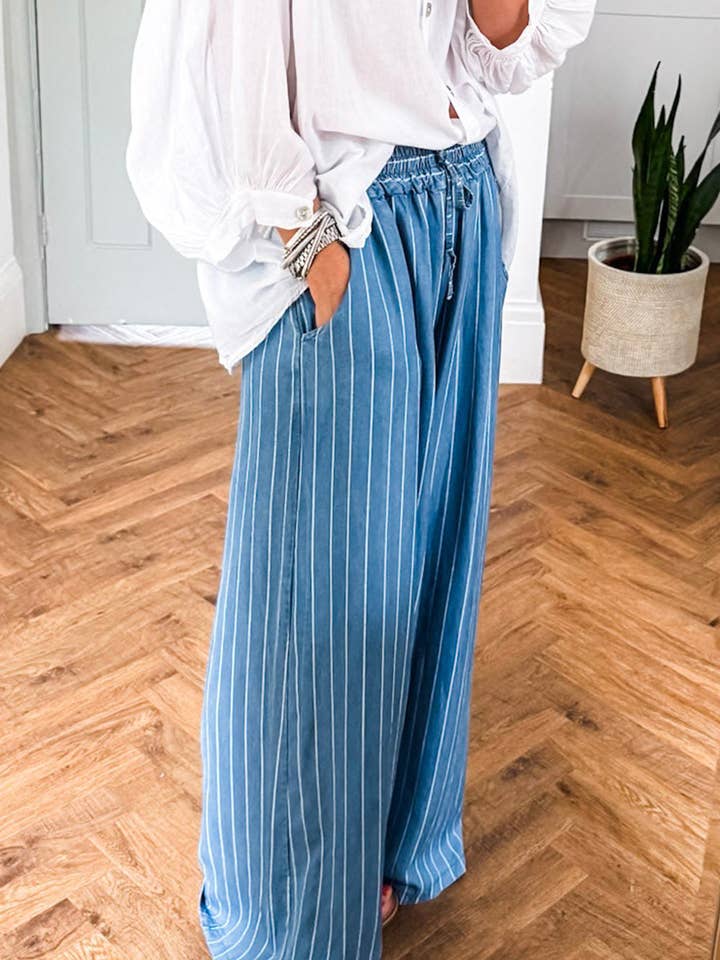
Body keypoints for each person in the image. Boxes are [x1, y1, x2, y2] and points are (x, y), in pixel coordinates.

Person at [126, 1, 595, 957]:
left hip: (464, 197)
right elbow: (234, 39)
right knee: (313, 604)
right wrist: (308, 245)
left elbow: (495, 53)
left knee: (428, 562)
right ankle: (288, 916)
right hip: (348, 217)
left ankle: (380, 847)